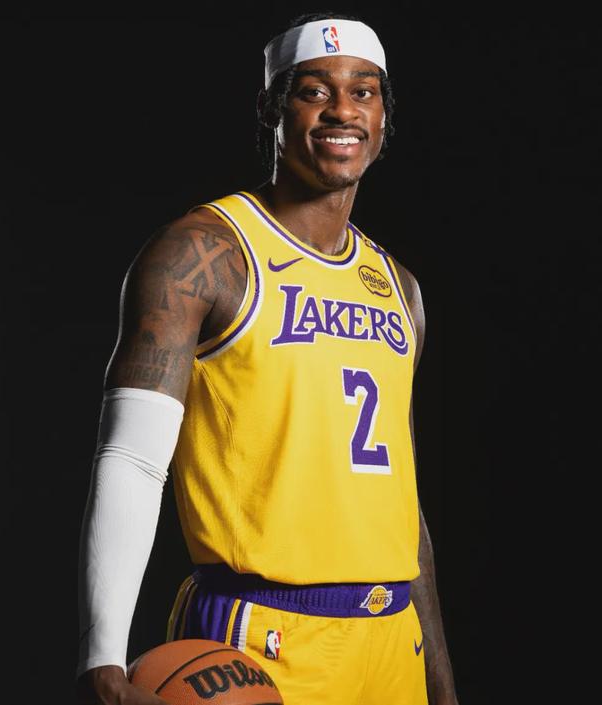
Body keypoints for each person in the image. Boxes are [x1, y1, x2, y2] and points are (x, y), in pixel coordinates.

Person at [75, 11, 459, 705]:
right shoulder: (204, 253)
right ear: (271, 109)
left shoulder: (399, 286)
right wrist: (102, 651)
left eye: (364, 92)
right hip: (261, 637)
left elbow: (402, 503)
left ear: (384, 117)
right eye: (314, 91)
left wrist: (440, 678)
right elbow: (132, 458)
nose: (343, 110)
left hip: (391, 636)